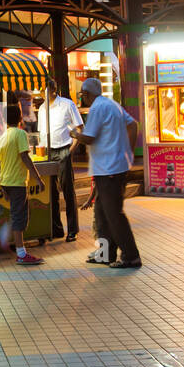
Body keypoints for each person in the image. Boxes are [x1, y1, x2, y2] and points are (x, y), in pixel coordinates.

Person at [70, 77, 141, 269]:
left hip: (109, 170)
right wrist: (129, 153)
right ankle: (105, 254)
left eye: (82, 94)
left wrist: (75, 134)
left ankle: (130, 256)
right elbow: (133, 125)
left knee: (113, 214)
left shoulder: (97, 108)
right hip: (112, 168)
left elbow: (89, 138)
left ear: (86, 94)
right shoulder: (112, 104)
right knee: (102, 214)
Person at [0, 105, 45, 265]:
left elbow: (0, 162)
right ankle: (21, 253)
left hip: (6, 181)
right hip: (17, 182)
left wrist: (1, 184)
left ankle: (8, 239)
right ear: (20, 118)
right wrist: (38, 178)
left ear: (4, 120)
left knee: (17, 214)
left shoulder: (3, 136)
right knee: (19, 216)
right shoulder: (20, 134)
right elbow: (25, 157)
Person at [46, 78, 84, 242]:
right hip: (48, 151)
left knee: (67, 190)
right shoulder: (42, 108)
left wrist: (70, 151)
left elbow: (80, 128)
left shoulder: (67, 105)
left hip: (63, 149)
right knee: (51, 192)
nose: (43, 93)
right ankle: (56, 228)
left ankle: (72, 229)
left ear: (53, 89)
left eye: (45, 89)